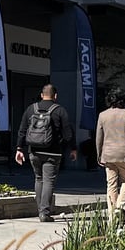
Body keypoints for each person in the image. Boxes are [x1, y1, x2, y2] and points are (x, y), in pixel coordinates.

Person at [15, 83, 77, 222]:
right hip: (53, 152)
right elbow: (68, 132)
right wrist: (73, 148)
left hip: (34, 152)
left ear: (42, 95)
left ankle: (40, 211)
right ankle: (44, 213)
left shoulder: (31, 109)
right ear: (55, 96)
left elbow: (22, 130)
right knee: (48, 181)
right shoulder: (59, 110)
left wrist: (19, 149)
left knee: (38, 179)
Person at [95, 88, 125, 222]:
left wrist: (99, 155)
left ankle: (112, 215)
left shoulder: (103, 115)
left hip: (108, 154)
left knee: (111, 184)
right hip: (124, 155)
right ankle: (121, 205)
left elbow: (99, 137)